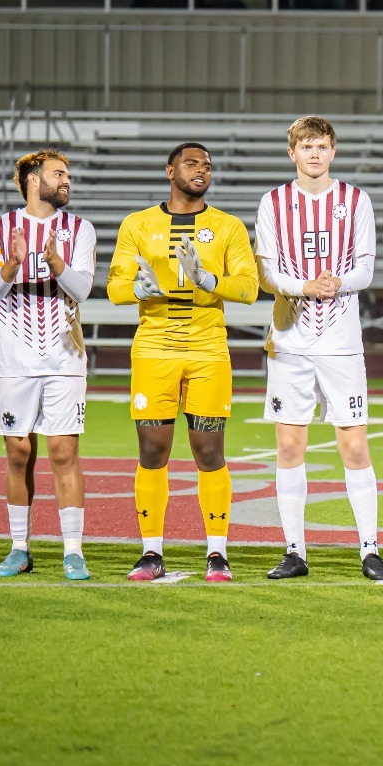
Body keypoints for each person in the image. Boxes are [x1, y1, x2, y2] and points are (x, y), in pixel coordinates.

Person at [105, 143, 258, 582]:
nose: (201, 170)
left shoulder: (227, 227)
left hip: (209, 350)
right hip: (153, 350)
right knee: (153, 450)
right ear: (169, 169)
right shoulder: (137, 224)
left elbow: (249, 288)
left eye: (207, 165)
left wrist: (209, 280)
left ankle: (217, 553)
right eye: (192, 163)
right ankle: (151, 552)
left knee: (209, 451)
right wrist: (141, 290)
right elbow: (115, 287)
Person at [253, 117, 383, 582]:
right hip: (290, 342)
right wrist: (306, 285)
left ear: (333, 151)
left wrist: (337, 282)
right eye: (307, 146)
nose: (315, 154)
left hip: (340, 343)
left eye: (323, 146)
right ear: (292, 152)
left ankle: (370, 550)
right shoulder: (273, 202)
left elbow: (366, 268)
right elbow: (266, 273)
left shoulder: (355, 200)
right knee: (289, 445)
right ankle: (295, 551)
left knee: (353, 446)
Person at [0, 150, 97, 581]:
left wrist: (56, 264)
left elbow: (82, 288)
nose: (67, 181)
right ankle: (19, 548)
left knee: (64, 451)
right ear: (32, 178)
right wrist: (12, 263)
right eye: (58, 174)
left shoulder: (79, 228)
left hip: (65, 358)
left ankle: (73, 551)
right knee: (18, 453)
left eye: (68, 174)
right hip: (14, 362)